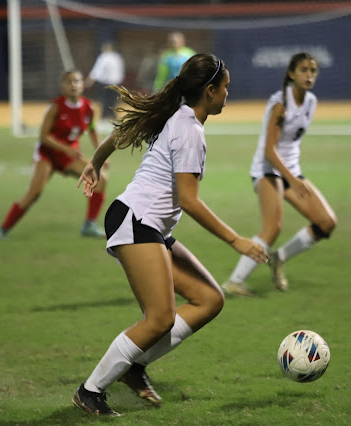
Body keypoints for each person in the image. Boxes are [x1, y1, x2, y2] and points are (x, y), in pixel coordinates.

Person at [72, 53, 269, 416]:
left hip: (147, 224)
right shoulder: (190, 129)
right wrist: (236, 240)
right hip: (136, 219)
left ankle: (134, 365)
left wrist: (95, 163)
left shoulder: (176, 112)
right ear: (209, 91)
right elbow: (191, 202)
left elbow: (121, 132)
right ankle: (90, 390)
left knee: (209, 299)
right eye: (225, 87)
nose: (229, 93)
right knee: (159, 318)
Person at [221, 52, 337, 297]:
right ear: (291, 74)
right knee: (272, 228)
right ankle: (234, 282)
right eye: (303, 70)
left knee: (326, 223)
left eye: (313, 71)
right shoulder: (280, 104)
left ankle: (279, 259)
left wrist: (293, 177)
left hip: (291, 171)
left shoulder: (311, 101)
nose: (309, 75)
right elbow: (269, 151)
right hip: (267, 170)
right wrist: (292, 181)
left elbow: (291, 145)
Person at [0, 70, 108, 239]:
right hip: (48, 155)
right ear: (62, 87)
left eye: (77, 81)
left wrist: (101, 155)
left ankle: (89, 226)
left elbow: (92, 130)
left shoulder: (88, 107)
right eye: (69, 82)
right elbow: (43, 137)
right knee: (34, 193)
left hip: (70, 156)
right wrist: (66, 148)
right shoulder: (56, 106)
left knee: (101, 179)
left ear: (83, 85)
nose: (73, 85)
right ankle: (3, 230)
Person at [85, 41, 125, 124]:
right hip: (116, 83)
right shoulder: (118, 57)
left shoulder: (104, 57)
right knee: (112, 101)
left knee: (104, 101)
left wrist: (90, 80)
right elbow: (121, 71)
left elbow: (97, 70)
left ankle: (105, 118)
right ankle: (111, 117)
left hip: (105, 83)